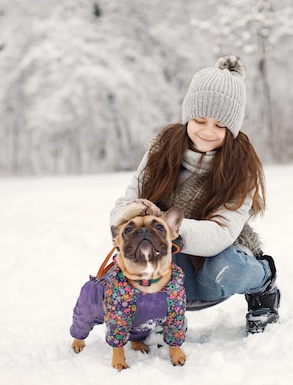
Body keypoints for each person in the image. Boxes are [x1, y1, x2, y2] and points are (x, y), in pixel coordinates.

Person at [110, 55, 280, 334]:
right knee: (125, 266)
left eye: (220, 125)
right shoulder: (161, 150)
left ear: (232, 127)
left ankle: (263, 282)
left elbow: (221, 233)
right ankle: (156, 310)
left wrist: (164, 228)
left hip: (211, 263)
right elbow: (125, 202)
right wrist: (128, 222)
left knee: (231, 268)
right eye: (200, 119)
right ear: (188, 115)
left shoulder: (241, 167)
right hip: (168, 258)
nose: (207, 132)